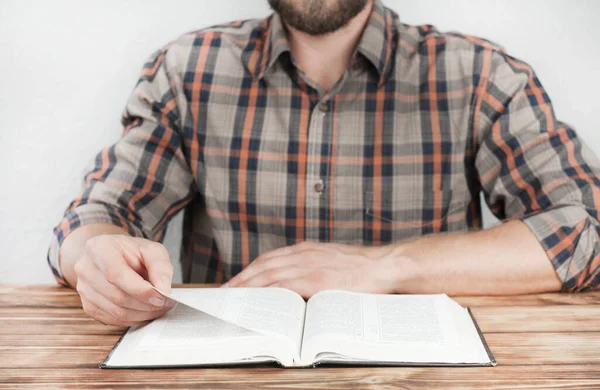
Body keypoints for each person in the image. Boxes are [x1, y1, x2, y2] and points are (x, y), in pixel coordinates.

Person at [49, 0, 600, 327]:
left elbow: (583, 231)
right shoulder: (185, 71)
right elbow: (97, 217)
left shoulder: (483, 76)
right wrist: (95, 257)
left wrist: (385, 267)